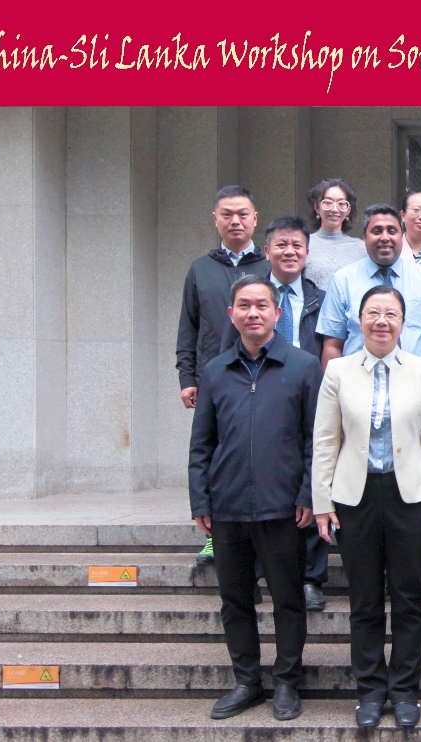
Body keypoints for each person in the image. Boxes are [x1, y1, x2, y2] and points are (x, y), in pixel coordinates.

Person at [313, 285, 421, 729]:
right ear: (359, 320)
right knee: (364, 599)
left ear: (404, 323)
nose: (381, 321)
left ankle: (406, 690)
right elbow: (325, 440)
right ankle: (370, 691)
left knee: (409, 597)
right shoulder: (338, 370)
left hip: (410, 496)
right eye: (373, 313)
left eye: (391, 314)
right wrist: (321, 502)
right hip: (354, 498)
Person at [188, 274, 322, 722]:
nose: (253, 313)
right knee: (235, 600)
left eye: (262, 305)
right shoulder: (215, 371)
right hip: (227, 507)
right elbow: (201, 443)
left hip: (283, 506)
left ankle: (287, 681)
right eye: (244, 305)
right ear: (231, 314)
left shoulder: (303, 366)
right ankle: (247, 681)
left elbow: (316, 440)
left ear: (277, 313)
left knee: (288, 599)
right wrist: (200, 500)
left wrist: (308, 492)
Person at [220, 215, 330, 610]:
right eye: (281, 245)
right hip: (259, 391)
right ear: (266, 251)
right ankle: (250, 572)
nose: (290, 252)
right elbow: (227, 349)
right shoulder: (249, 298)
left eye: (297, 245)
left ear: (307, 252)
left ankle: (311, 577)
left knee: (310, 479)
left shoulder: (321, 297)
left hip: (308, 390)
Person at [177, 185, 269, 565]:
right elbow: (189, 327)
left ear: (255, 219)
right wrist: (187, 377)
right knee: (215, 453)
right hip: (214, 378)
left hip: (263, 373)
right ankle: (215, 535)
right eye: (227, 214)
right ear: (215, 219)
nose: (235, 221)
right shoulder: (200, 269)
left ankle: (263, 536)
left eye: (243, 214)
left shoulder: (269, 266)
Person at [317, 204, 421, 369]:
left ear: (401, 236)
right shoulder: (342, 280)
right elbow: (332, 344)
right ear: (365, 237)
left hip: (414, 379)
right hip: (358, 378)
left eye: (392, 231)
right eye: (377, 231)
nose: (385, 237)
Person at [303, 178, 363, 290]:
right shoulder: (303, 244)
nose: (335, 209)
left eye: (342, 203)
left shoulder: (362, 249)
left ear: (348, 210)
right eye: (328, 202)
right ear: (316, 207)